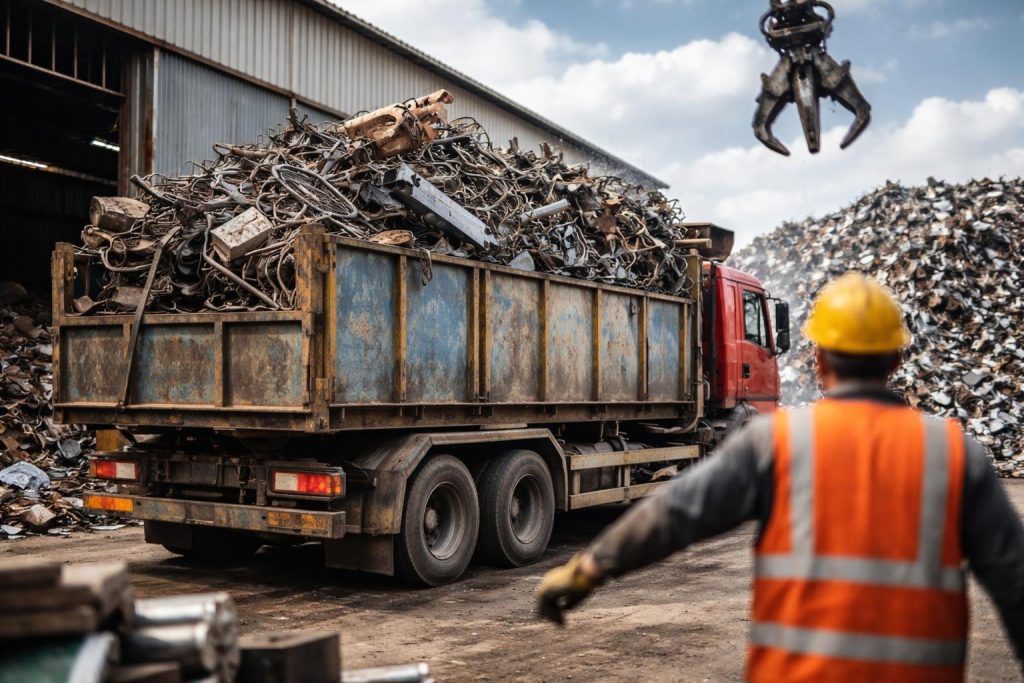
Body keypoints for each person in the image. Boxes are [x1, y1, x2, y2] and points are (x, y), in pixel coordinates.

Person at [536, 272, 1024, 682]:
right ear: (896, 361)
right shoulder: (956, 452)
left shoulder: (776, 443)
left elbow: (674, 514)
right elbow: (1014, 578)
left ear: (820, 360)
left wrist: (587, 571)